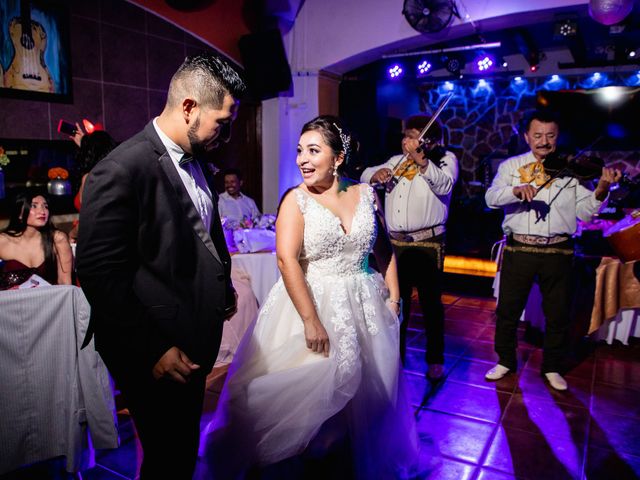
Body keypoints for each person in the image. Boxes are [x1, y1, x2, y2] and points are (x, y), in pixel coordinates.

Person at [198, 116, 426, 479]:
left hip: (365, 304)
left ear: (337, 158)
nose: (303, 159)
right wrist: (310, 320)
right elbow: (286, 260)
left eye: (313, 151)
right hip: (311, 303)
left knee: (368, 396)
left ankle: (347, 463)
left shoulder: (366, 194)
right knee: (310, 396)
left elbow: (384, 250)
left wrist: (394, 300)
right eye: (300, 151)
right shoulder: (296, 201)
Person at [75, 53, 246, 479]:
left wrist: (221, 286)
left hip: (190, 336)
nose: (223, 136)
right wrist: (153, 348)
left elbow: (204, 231)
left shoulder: (196, 158)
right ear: (189, 107)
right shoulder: (119, 168)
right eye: (221, 123)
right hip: (152, 347)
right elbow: (99, 273)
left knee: (180, 453)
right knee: (169, 458)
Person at [484, 110, 622, 391]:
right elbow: (490, 197)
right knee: (508, 311)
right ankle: (506, 361)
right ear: (526, 137)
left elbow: (585, 213)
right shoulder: (511, 167)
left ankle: (552, 367)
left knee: (558, 314)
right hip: (519, 248)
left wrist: (602, 189)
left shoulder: (571, 171)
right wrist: (516, 190)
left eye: (550, 135)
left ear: (557, 137)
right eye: (537, 135)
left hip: (558, 251)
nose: (544, 141)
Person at [360, 115, 459, 380]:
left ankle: (435, 360)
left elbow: (445, 183)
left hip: (428, 243)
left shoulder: (444, 159)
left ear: (431, 140)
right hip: (396, 245)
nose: (409, 141)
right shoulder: (395, 161)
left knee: (431, 305)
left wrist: (421, 159)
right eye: (407, 135)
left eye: (415, 135)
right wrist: (375, 175)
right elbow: (366, 173)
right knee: (397, 303)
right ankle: (396, 359)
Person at [0, 192, 73, 288]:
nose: (42, 211)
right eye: (34, 206)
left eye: (45, 206)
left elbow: (65, 283)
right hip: (14, 301)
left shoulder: (58, 239)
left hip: (49, 300)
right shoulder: (3, 241)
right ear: (19, 214)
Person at [69, 130, 117, 242]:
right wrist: (85, 142)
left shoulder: (90, 177)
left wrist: (73, 233)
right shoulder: (117, 176)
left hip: (96, 241)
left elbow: (90, 219)